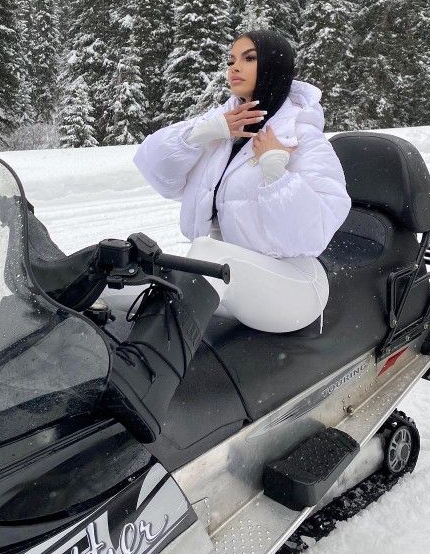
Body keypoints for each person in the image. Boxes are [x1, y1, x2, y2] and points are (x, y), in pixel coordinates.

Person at [128, 28, 352, 334]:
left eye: (249, 58)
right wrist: (200, 134)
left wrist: (276, 172)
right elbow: (157, 171)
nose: (234, 67)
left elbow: (313, 234)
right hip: (228, 277)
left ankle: (145, 372)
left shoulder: (301, 137)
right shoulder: (225, 125)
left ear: (274, 66)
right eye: (231, 59)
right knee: (126, 279)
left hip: (292, 286)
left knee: (205, 254)